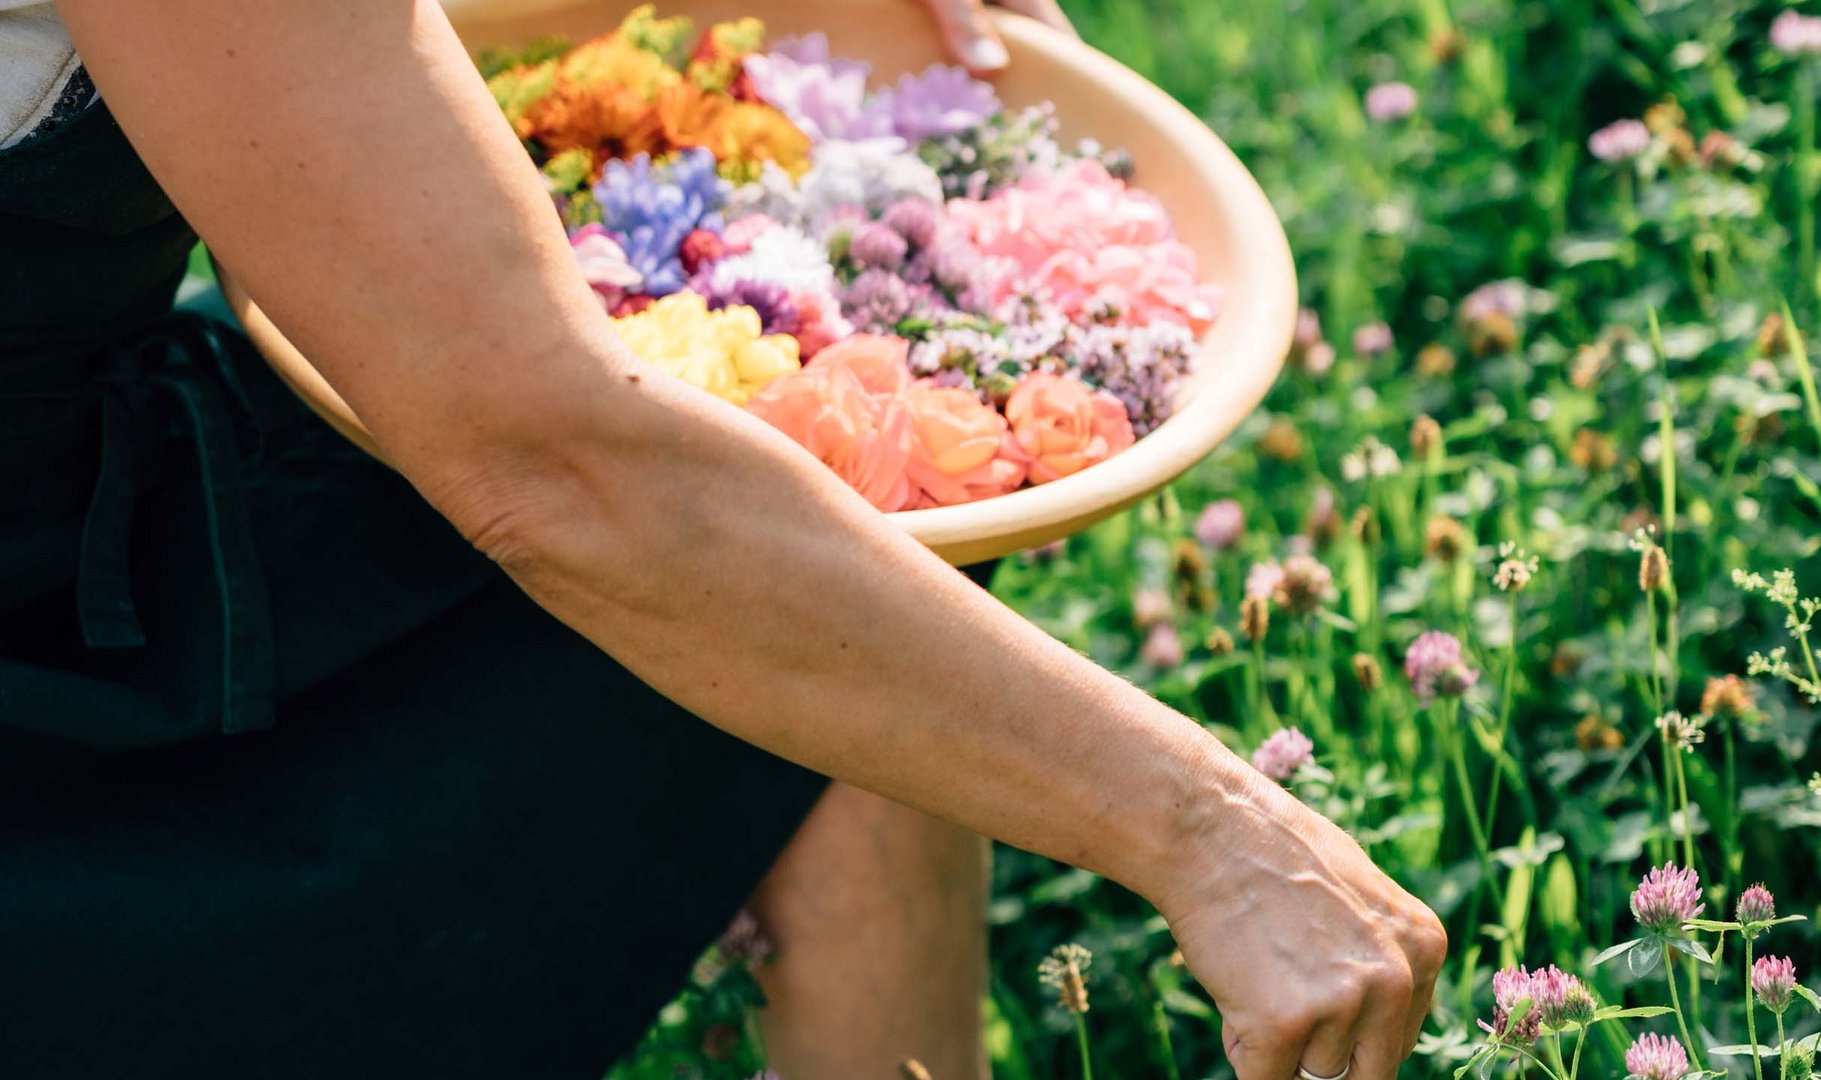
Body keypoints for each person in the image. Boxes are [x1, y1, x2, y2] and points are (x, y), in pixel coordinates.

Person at [0, 0, 1445, 1077]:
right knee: (773, 587)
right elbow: (552, 462)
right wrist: (1210, 831)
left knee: (850, 617)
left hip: (81, 495)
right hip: (42, 720)